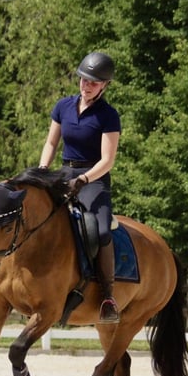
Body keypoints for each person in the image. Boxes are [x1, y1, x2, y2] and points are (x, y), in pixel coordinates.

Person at [38, 51, 121, 323]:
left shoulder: (108, 116)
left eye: (94, 83)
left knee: (100, 228)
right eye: (84, 80)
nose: (87, 86)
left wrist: (83, 179)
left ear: (105, 86)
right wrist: (42, 171)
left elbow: (107, 160)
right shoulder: (63, 106)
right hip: (62, 172)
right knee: (32, 214)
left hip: (92, 177)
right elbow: (51, 143)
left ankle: (108, 296)